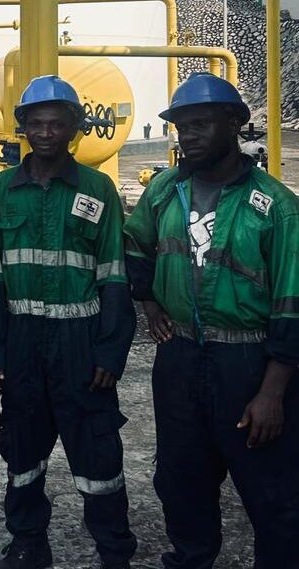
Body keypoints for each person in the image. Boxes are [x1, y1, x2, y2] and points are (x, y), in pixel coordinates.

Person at [124, 73, 299, 568]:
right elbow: (134, 246)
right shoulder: (165, 190)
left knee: (270, 487)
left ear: (235, 123)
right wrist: (150, 302)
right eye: (183, 127)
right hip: (179, 359)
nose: (189, 136)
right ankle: (192, 557)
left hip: (247, 362)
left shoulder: (277, 206)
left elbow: (291, 303)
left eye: (201, 124)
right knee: (181, 476)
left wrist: (272, 393)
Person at [0, 75, 137, 569]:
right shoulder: (1, 190)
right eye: (36, 123)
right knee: (22, 447)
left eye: (57, 123)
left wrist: (110, 352)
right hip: (22, 340)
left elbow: (114, 276)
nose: (46, 133)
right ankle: (28, 543)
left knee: (97, 450)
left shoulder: (98, 189)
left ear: (74, 128)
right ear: (22, 127)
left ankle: (114, 550)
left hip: (79, 340)